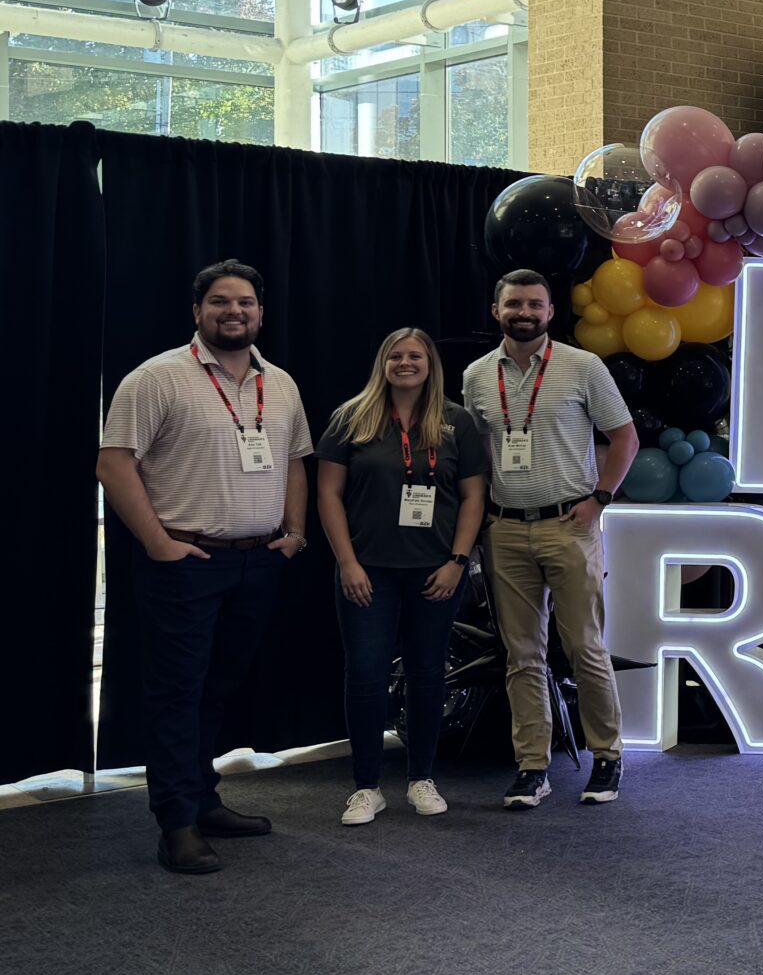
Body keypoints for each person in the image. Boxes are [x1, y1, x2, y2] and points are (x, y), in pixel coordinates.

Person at [97, 260, 313, 875]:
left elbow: (297, 459)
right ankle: (176, 824)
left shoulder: (284, 384)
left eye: (245, 302)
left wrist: (295, 532)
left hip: (257, 562)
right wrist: (159, 543)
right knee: (176, 693)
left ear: (261, 313)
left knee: (216, 691)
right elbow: (114, 464)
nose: (233, 311)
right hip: (185, 564)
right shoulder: (158, 378)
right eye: (219, 302)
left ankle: (202, 798)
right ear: (198, 312)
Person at [460, 269, 638, 810]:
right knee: (522, 656)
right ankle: (531, 766)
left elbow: (624, 437)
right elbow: (481, 449)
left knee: (584, 647)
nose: (525, 312)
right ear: (497, 311)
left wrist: (600, 498)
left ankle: (606, 756)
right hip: (507, 529)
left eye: (535, 304)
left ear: (550, 311)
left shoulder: (583, 367)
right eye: (514, 303)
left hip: (570, 525)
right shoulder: (474, 375)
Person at [316, 329, 489, 826]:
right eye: (396, 355)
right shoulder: (352, 418)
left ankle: (421, 778)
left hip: (436, 572)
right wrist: (347, 562)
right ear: (382, 363)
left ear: (431, 364)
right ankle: (367, 787)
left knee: (427, 674)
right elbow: (328, 494)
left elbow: (474, 496)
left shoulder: (456, 421)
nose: (405, 362)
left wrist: (458, 562)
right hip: (366, 571)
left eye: (415, 355)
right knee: (366, 675)